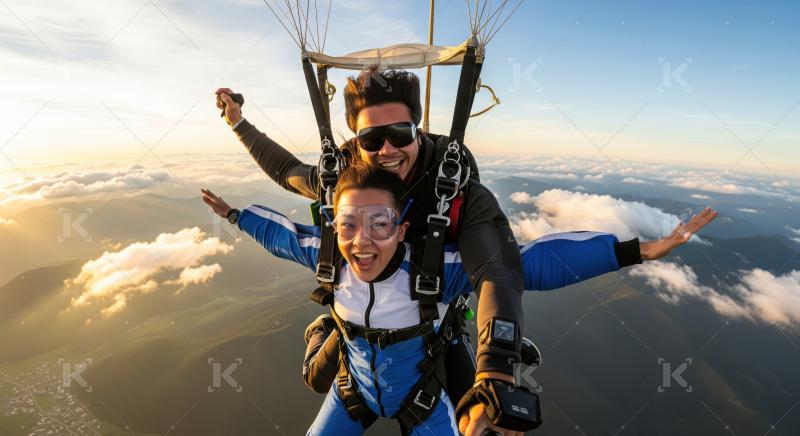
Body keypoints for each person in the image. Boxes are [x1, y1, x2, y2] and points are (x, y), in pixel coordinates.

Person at [201, 165, 718, 435]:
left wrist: (638, 250)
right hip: (352, 389)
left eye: (380, 224)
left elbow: (527, 265)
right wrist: (232, 214)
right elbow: (279, 233)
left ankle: (328, 335)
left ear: (402, 229)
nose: (362, 241)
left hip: (420, 397)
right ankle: (323, 334)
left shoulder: (432, 272)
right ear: (335, 227)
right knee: (319, 375)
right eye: (349, 225)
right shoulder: (328, 259)